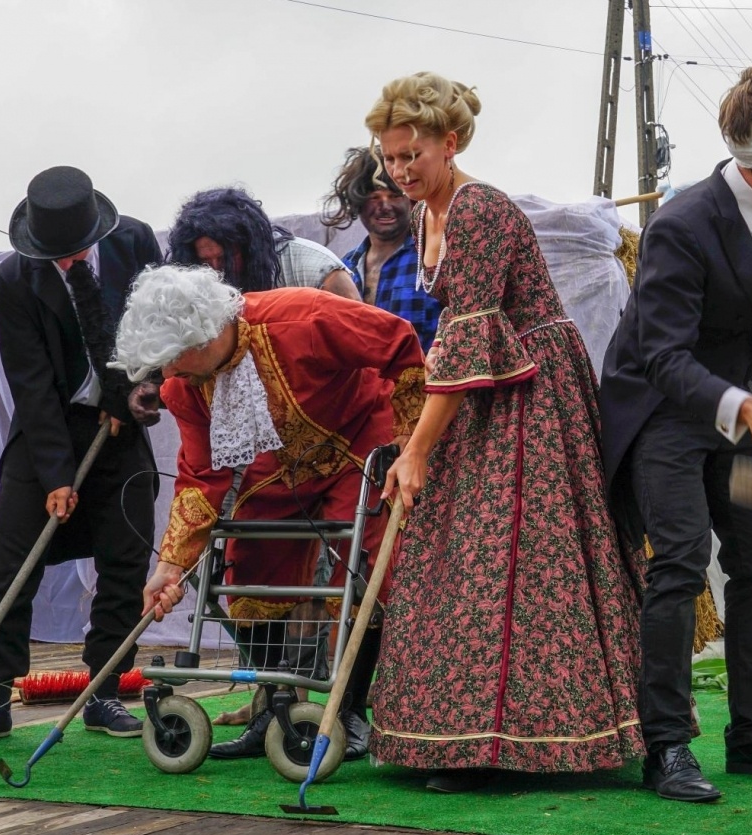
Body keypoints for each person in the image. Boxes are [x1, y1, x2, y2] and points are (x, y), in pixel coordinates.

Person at [363, 71, 644, 792]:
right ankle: (457, 734)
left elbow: (470, 329)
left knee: (518, 555)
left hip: (529, 389)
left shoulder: (479, 209)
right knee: (462, 554)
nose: (398, 171)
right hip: (482, 384)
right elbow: (455, 341)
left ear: (447, 144)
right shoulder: (429, 215)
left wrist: (419, 447)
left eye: (410, 156)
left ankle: (520, 740)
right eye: (389, 159)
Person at [599, 62, 752, 803]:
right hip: (661, 418)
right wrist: (741, 405)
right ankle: (666, 746)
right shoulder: (679, 225)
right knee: (678, 561)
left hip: (740, 411)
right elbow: (661, 356)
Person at [112, 265, 426, 761]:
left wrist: (411, 444)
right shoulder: (187, 386)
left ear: (205, 332)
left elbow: (399, 343)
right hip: (282, 468)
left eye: (174, 358)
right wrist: (169, 566)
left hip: (359, 443)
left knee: (361, 559)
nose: (169, 374)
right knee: (251, 563)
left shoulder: (301, 317)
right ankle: (272, 710)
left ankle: (346, 712)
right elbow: (201, 477)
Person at [0, 167, 163, 745]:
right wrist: (56, 475)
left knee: (126, 558)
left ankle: (104, 689)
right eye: (56, 255)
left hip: (122, 424)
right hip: (49, 429)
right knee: (12, 564)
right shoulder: (15, 279)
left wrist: (137, 392)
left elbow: (162, 328)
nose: (68, 262)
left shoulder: (135, 243)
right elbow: (31, 381)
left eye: (75, 252)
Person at [323, 147, 441, 350]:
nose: (385, 205)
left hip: (429, 380)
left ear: (412, 200)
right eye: (374, 197)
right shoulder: (343, 269)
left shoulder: (433, 258)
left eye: (395, 195)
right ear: (357, 203)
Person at [169, 187, 361, 300]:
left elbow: (357, 335)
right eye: (206, 261)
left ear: (248, 248)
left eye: (224, 257)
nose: (216, 270)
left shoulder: (318, 272)